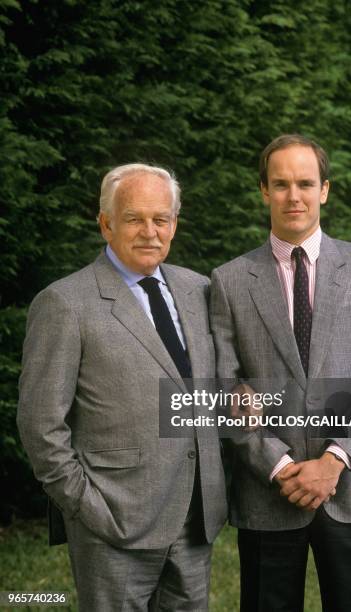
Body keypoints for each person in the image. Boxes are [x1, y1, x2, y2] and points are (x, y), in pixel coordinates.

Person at [18, 163, 227, 612]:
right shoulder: (65, 303)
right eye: (134, 218)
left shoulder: (200, 290)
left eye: (161, 219)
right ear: (106, 224)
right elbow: (40, 426)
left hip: (194, 520)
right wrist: (88, 507)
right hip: (112, 520)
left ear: (174, 225)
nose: (150, 231)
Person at [210, 134, 351, 612]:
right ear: (263, 191)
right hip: (270, 489)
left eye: (304, 183)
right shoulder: (229, 280)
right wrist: (279, 467)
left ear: (325, 190)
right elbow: (226, 385)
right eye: (280, 184)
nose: (292, 196)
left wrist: (334, 461)